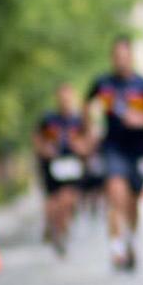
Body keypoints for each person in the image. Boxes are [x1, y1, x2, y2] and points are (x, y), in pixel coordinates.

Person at [86, 37, 143, 271]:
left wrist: (142, 119)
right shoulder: (102, 84)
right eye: (117, 56)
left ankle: (131, 240)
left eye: (125, 56)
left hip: (139, 151)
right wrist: (90, 126)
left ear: (131, 57)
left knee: (132, 201)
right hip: (113, 148)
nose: (121, 61)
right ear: (112, 58)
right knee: (115, 194)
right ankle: (116, 247)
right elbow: (87, 107)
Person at [33, 83, 89, 257]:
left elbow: (89, 139)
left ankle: (61, 231)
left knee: (67, 200)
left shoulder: (78, 120)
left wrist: (82, 148)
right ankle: (53, 226)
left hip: (71, 164)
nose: (65, 101)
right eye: (61, 97)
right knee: (53, 202)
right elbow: (36, 138)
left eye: (68, 97)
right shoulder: (48, 118)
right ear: (57, 99)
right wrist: (44, 150)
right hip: (51, 165)